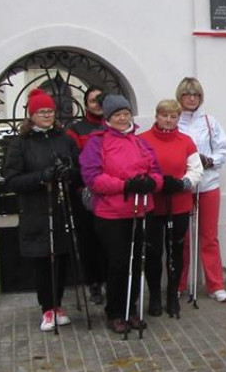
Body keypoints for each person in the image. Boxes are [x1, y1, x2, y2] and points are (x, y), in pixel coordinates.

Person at [80, 94, 163, 333]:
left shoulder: (140, 142)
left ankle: (132, 307)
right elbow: (93, 177)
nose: (122, 118)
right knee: (119, 263)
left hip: (140, 210)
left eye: (125, 113)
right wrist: (125, 185)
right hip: (112, 214)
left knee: (137, 262)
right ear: (108, 117)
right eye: (117, 115)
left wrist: (151, 183)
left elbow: (155, 170)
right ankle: (115, 311)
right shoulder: (97, 142)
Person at [1, 89, 80, 331]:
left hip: (61, 207)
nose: (46, 115)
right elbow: (12, 179)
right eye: (41, 112)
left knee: (62, 258)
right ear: (31, 115)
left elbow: (79, 169)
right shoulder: (21, 144)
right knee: (43, 260)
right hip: (36, 209)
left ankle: (59, 304)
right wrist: (40, 177)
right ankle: (47, 306)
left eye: (50, 111)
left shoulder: (64, 138)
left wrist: (69, 174)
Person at [139, 99, 204, 319]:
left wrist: (182, 183)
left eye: (173, 116)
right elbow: (137, 166)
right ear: (156, 116)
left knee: (176, 251)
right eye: (164, 115)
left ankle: (172, 295)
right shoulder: (142, 140)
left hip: (178, 203)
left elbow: (196, 171)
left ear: (178, 119)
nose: (168, 120)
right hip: (153, 204)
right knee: (153, 251)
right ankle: (155, 295)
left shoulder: (186, 141)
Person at [176, 77, 226, 303]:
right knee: (182, 237)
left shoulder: (209, 121)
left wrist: (210, 160)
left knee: (209, 236)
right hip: (184, 185)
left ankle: (215, 284)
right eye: (187, 94)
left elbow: (223, 148)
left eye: (196, 95)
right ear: (180, 97)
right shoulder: (174, 120)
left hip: (208, 184)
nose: (191, 98)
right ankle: (179, 284)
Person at [66, 86, 107, 304]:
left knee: (108, 241)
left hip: (110, 194)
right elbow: (75, 160)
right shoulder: (76, 129)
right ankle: (93, 283)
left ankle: (109, 279)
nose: (97, 104)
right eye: (93, 100)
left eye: (101, 99)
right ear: (86, 103)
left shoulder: (113, 125)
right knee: (88, 241)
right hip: (85, 193)